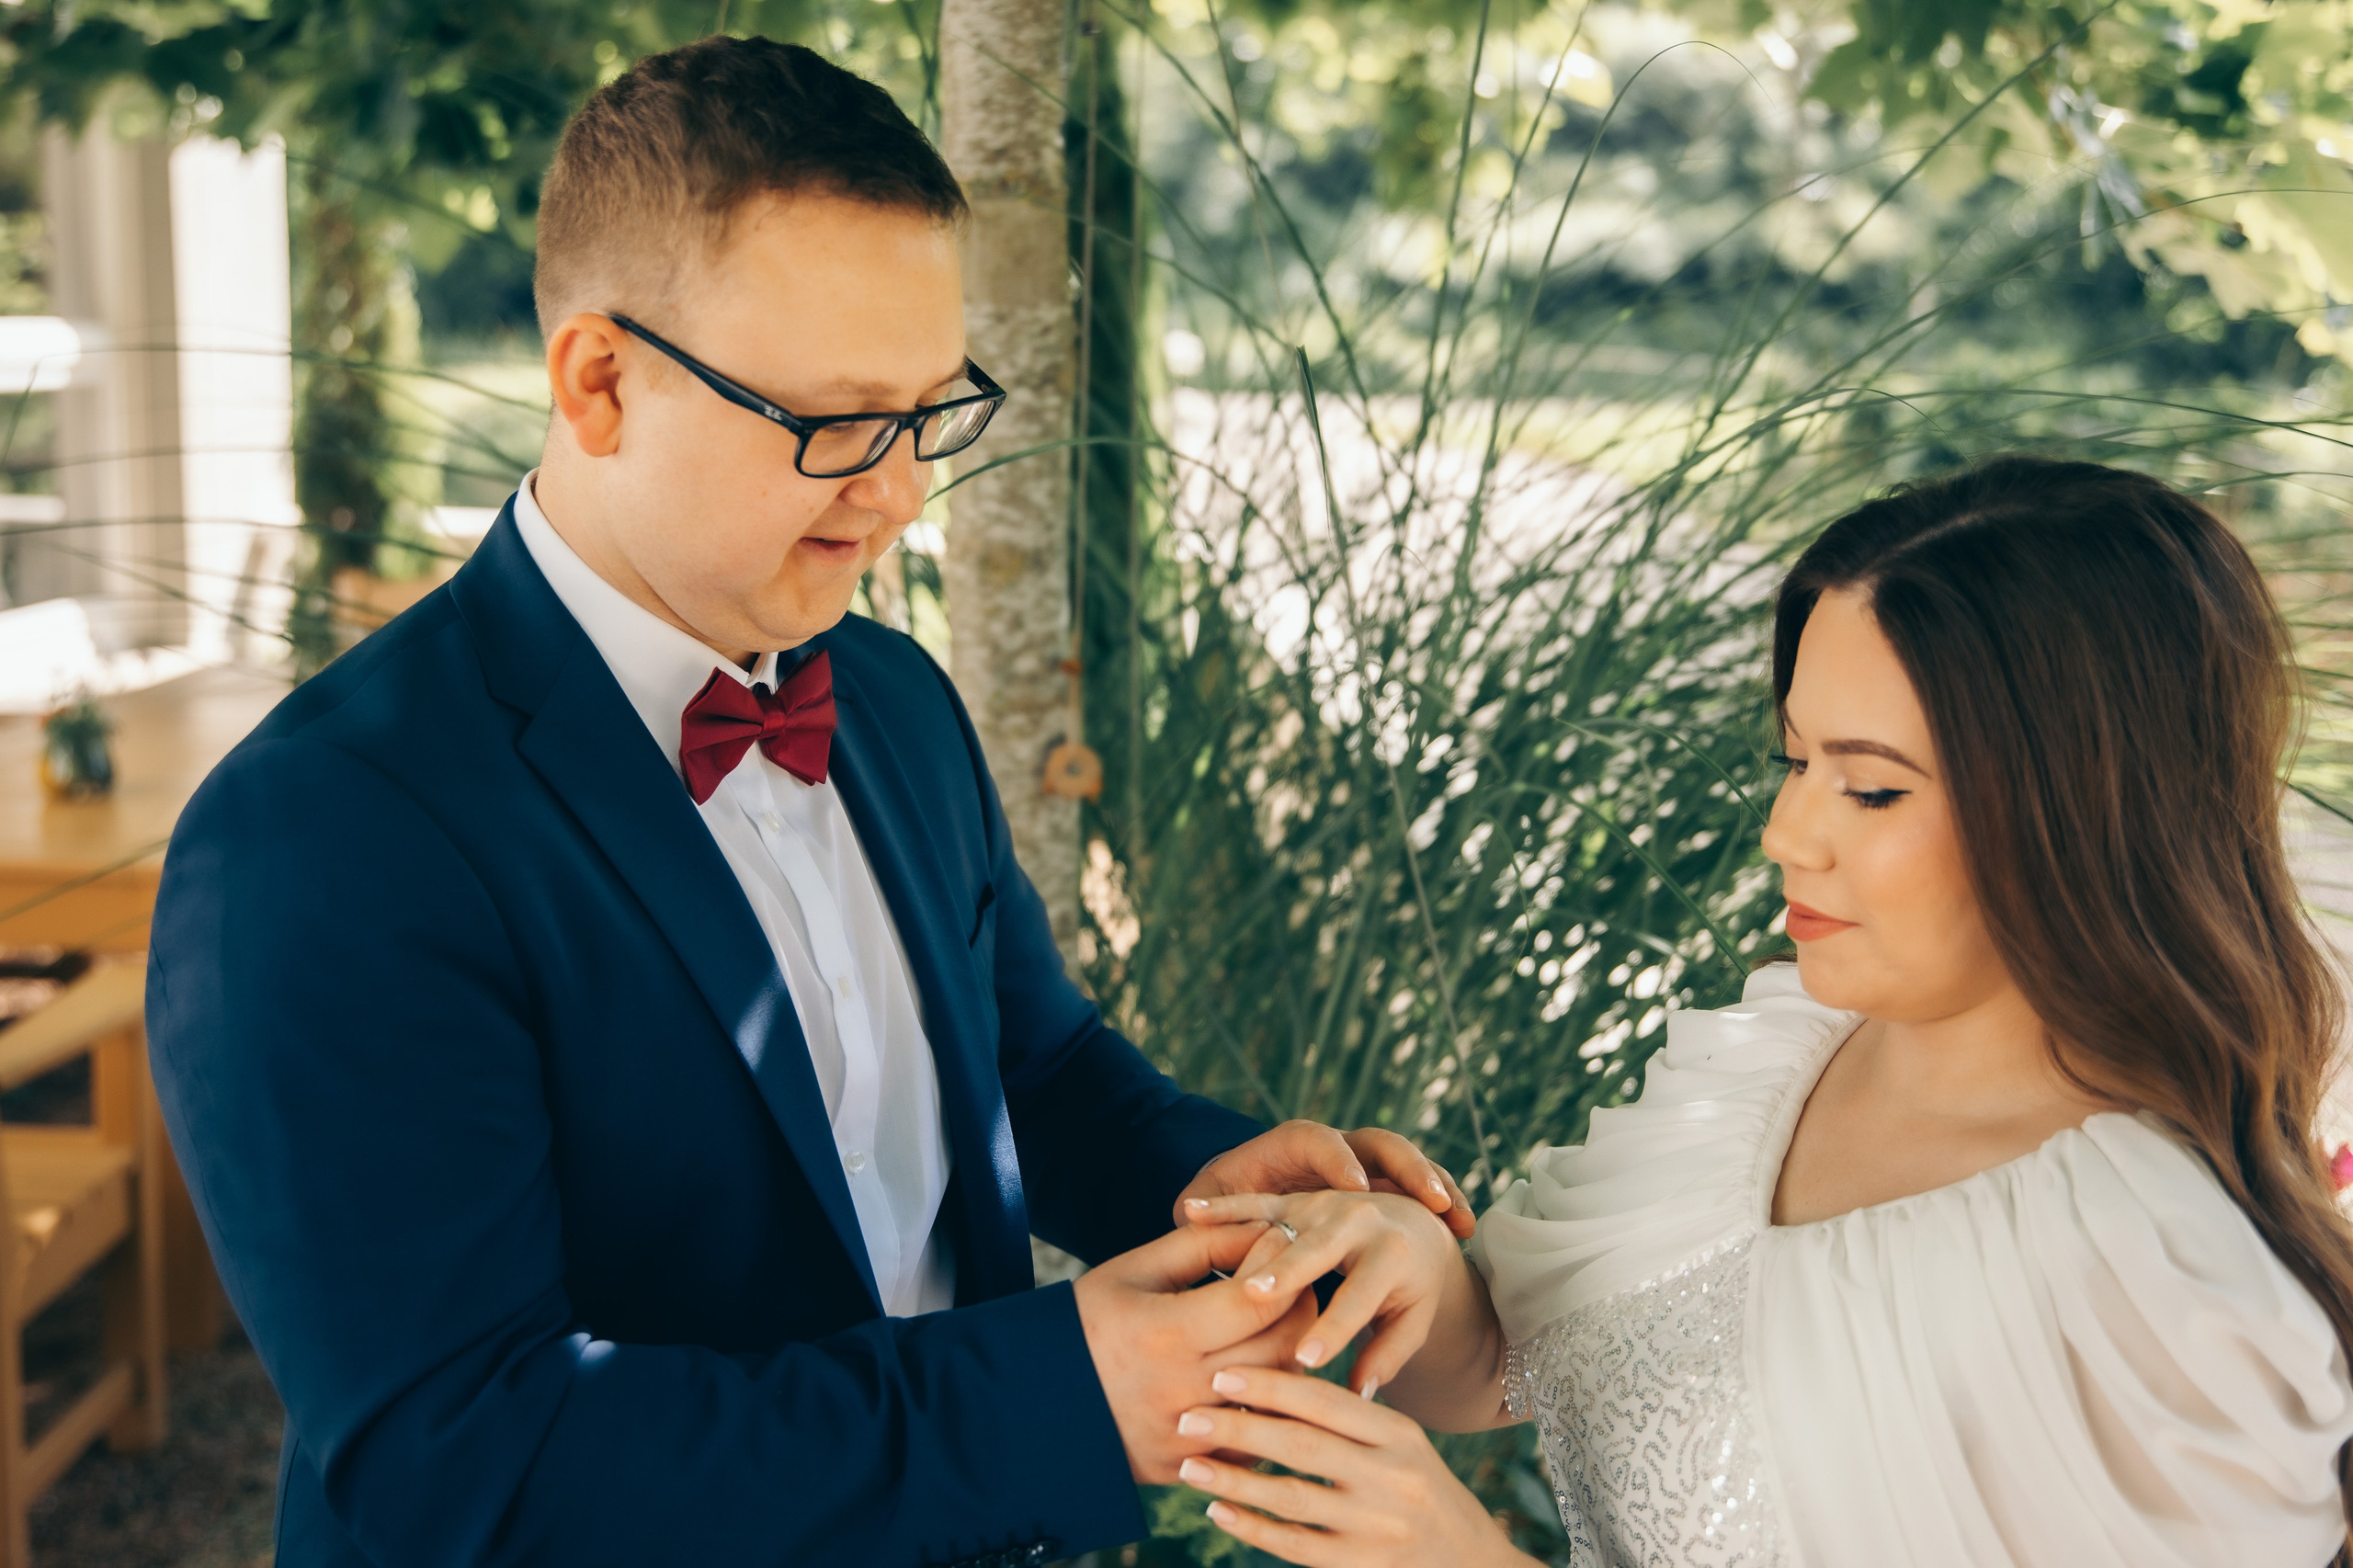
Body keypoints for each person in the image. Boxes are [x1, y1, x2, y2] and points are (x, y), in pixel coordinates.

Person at [142, 37, 1472, 1568]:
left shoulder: (897, 701)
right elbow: (465, 1465)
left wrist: (1212, 1180)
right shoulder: (328, 835)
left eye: (930, 411)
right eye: (837, 422)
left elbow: (1031, 1068)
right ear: (600, 381)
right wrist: (1065, 1390)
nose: (901, 493)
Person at [1170, 457, 2353, 1567]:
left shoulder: (2158, 1272)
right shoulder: (1768, 1064)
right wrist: (1408, 1269)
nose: (1785, 836)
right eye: (1794, 762)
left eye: (1872, 786)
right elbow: (1514, 1359)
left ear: (2081, 810)